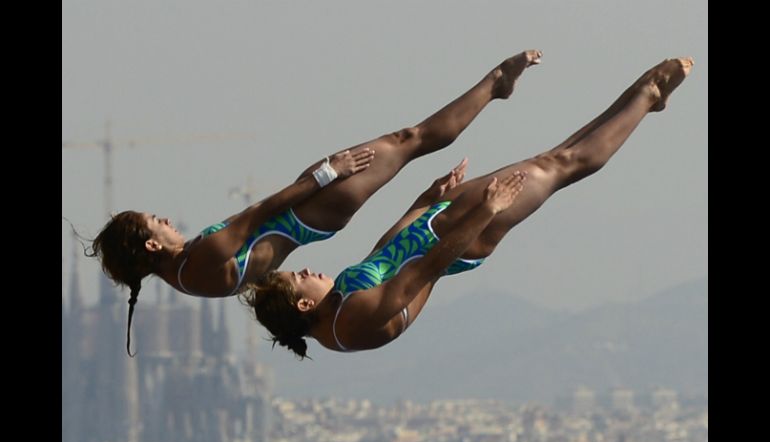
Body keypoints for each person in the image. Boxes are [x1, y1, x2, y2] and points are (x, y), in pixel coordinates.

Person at [88, 50, 544, 355]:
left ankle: (494, 86)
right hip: (312, 206)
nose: (166, 219)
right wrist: (327, 174)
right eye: (155, 221)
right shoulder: (200, 261)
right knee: (412, 139)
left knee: (411, 142)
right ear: (150, 246)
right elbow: (258, 213)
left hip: (311, 215)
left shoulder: (190, 276)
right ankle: (495, 84)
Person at [242, 57, 693, 359]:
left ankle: (643, 99)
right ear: (303, 303)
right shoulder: (347, 326)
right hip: (460, 241)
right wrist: (485, 212)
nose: (306, 270)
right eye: (298, 276)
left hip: (432, 226)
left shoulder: (337, 302)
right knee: (558, 168)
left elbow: (384, 254)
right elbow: (423, 272)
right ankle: (648, 95)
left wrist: (425, 200)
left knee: (548, 159)